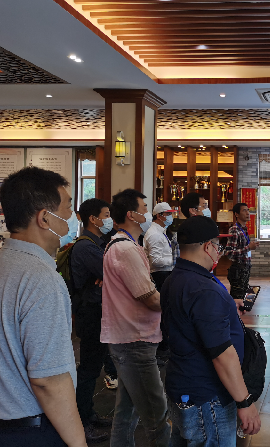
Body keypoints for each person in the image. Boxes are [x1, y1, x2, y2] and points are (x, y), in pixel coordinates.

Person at [0, 166, 86, 447]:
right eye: (68, 208)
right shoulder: (42, 279)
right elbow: (49, 381)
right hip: (28, 431)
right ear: (45, 218)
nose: (72, 218)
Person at [161, 216, 261, 446]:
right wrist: (244, 401)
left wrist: (227, 307)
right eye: (218, 246)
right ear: (208, 247)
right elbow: (222, 354)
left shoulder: (175, 279)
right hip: (208, 396)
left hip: (183, 382)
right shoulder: (203, 289)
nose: (219, 252)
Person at [101, 189, 170, 447]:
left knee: (126, 412)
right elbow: (149, 298)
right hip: (134, 340)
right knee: (156, 414)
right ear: (131, 214)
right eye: (144, 208)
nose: (147, 213)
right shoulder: (125, 248)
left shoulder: (127, 244)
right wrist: (180, 304)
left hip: (130, 337)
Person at [70, 198, 117, 443]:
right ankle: (82, 421)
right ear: (93, 219)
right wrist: (107, 276)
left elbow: (110, 273)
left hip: (96, 310)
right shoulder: (86, 247)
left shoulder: (97, 244)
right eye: (106, 215)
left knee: (93, 366)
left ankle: (88, 413)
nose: (110, 219)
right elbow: (115, 273)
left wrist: (107, 276)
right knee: (89, 369)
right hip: (90, 313)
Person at [225, 203, 260, 299]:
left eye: (248, 210)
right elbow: (229, 253)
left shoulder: (244, 229)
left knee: (245, 298)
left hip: (245, 268)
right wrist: (248, 247)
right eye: (244, 210)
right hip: (238, 269)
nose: (248, 213)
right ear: (236, 214)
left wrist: (251, 246)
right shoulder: (234, 230)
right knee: (237, 298)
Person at [144, 202, 176, 292]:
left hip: (164, 273)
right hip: (160, 275)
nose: (171, 217)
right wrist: (174, 260)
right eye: (168, 214)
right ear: (159, 216)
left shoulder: (161, 231)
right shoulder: (155, 234)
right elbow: (155, 261)